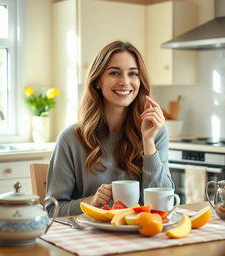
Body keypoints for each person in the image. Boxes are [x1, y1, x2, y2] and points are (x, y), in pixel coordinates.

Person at [46, 40, 174, 217]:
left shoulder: (156, 133)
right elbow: (52, 210)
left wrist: (148, 142)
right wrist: (92, 202)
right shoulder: (71, 138)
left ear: (140, 81)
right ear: (98, 80)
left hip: (143, 236)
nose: (125, 81)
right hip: (90, 241)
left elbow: (164, 206)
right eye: (114, 73)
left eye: (133, 74)